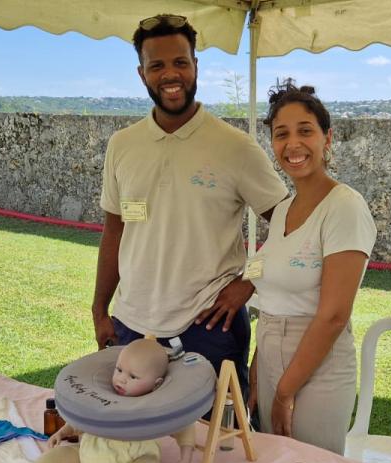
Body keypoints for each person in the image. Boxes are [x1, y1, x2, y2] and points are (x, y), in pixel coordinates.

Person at [92, 14, 288, 401]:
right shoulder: (123, 145)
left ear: (196, 66)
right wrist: (100, 309)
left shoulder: (234, 147)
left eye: (180, 62)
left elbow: (291, 225)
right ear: (142, 73)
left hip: (208, 325)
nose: (171, 74)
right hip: (131, 323)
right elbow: (115, 230)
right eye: (157, 65)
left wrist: (249, 282)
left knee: (215, 448)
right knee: (133, 443)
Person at [248, 79, 377, 455]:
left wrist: (286, 391)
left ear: (327, 138)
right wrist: (261, 361)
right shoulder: (285, 207)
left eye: (305, 131)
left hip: (317, 364)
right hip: (271, 350)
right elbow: (274, 289)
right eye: (281, 134)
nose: (293, 144)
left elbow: (334, 315)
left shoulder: (344, 208)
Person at [12, 340, 179, 463]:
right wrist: (63, 431)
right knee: (55, 458)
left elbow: (181, 427)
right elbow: (84, 418)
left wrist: (185, 455)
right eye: (119, 370)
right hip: (91, 452)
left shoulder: (156, 405)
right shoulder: (103, 395)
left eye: (133, 377)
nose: (121, 379)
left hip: (134, 456)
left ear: (156, 385)